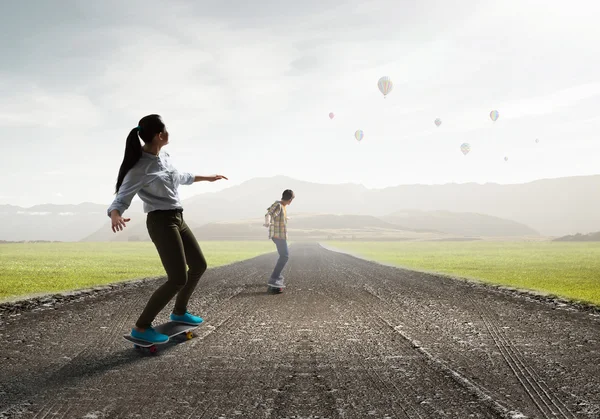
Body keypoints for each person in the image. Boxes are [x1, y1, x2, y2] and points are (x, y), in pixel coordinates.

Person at [107, 114, 228, 343]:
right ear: (159, 135)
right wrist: (115, 215)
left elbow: (179, 176)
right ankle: (142, 327)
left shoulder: (165, 155)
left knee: (199, 265)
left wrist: (207, 178)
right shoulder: (139, 168)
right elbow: (122, 196)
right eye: (166, 130)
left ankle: (179, 312)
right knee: (177, 278)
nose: (169, 133)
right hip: (161, 221)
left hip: (177, 218)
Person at [263, 189, 295, 292]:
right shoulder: (278, 205)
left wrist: (286, 218)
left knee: (284, 256)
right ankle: (274, 279)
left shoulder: (283, 207)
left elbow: (278, 216)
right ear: (290, 199)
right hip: (278, 235)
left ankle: (276, 277)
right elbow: (269, 214)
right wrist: (267, 222)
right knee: (285, 256)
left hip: (280, 235)